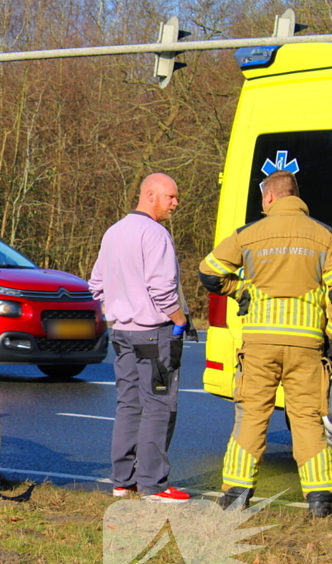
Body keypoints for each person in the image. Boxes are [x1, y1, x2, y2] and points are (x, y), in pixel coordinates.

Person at [199, 170, 332, 517]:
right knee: (308, 419)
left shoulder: (249, 234)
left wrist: (240, 290)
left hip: (259, 345)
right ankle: (320, 501)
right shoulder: (325, 236)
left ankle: (236, 497)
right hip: (306, 344)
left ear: (270, 197)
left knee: (252, 417)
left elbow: (210, 271)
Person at [89, 173, 194, 503]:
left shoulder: (114, 232)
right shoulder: (156, 234)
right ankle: (154, 484)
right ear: (150, 195)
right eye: (171, 197)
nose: (176, 203)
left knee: (129, 404)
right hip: (154, 336)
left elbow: (96, 285)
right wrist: (180, 320)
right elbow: (162, 289)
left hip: (123, 334)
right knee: (159, 404)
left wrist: (118, 309)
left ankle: (123, 480)